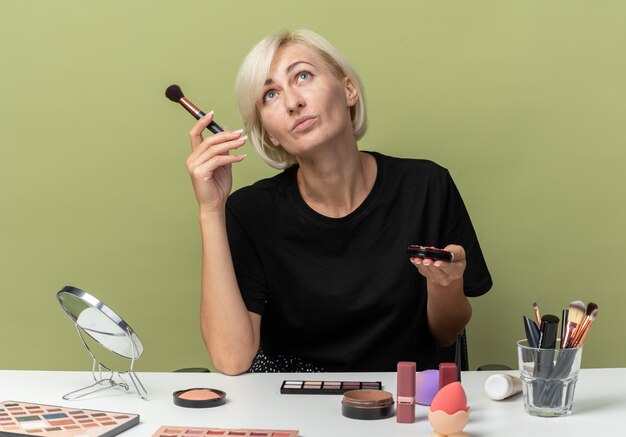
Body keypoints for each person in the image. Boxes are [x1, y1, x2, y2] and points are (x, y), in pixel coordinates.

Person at [185, 29, 492, 375]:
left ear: (348, 90)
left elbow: (446, 334)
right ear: (269, 132)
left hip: (403, 407)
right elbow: (231, 359)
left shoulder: (426, 187)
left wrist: (445, 285)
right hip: (292, 410)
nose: (292, 102)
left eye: (303, 76)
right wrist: (211, 211)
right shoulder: (249, 213)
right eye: (270, 94)